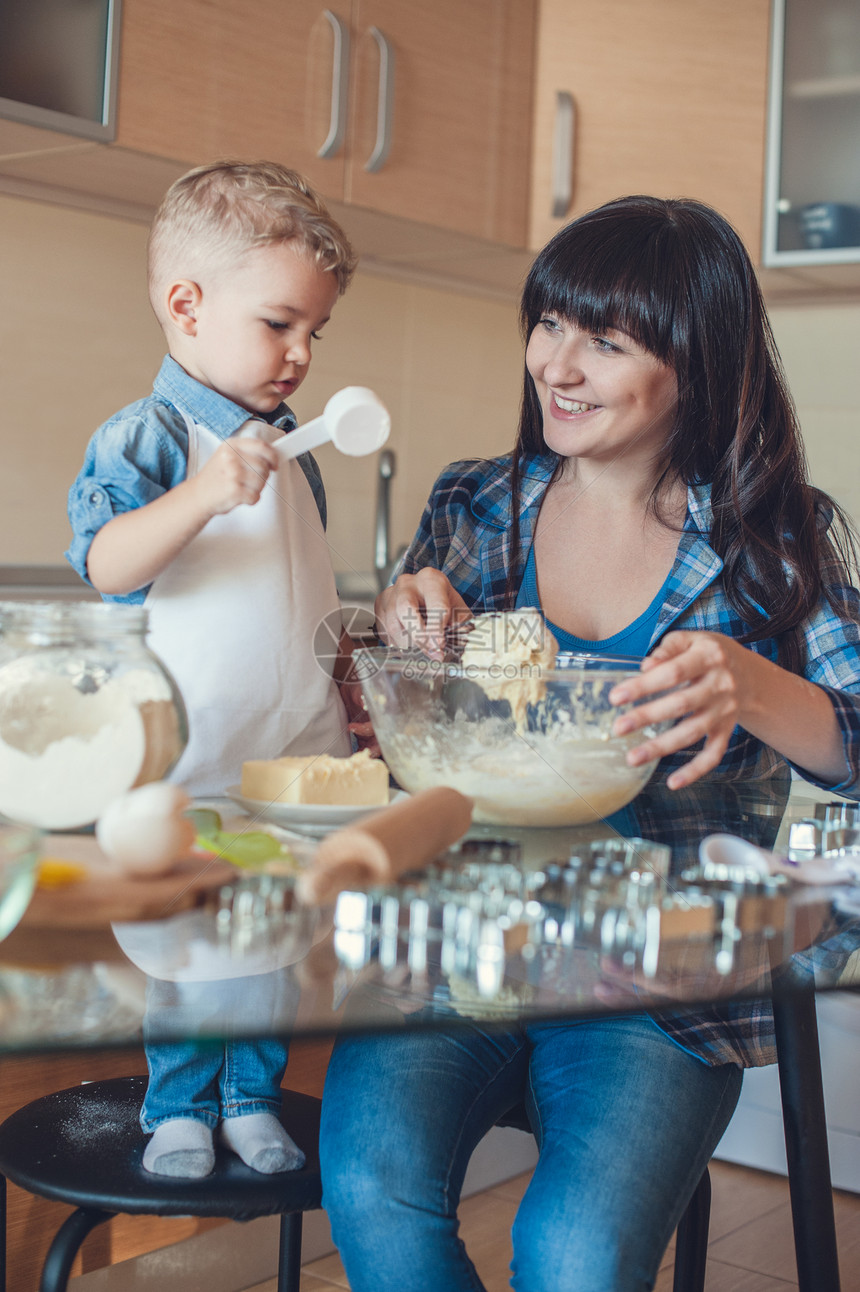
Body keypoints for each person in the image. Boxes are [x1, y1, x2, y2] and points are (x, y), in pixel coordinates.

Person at [318, 196, 860, 1290]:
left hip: (656, 979)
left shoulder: (769, 532)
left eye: (603, 341)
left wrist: (750, 684)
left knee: (573, 1251)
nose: (555, 365)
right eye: (548, 324)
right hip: (455, 945)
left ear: (693, 363)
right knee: (373, 1183)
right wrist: (400, 621)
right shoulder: (477, 502)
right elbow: (396, 732)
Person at [66, 160, 363, 1178]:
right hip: (187, 762)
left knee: (271, 941)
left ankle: (251, 1093)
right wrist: (199, 494)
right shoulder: (146, 437)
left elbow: (294, 593)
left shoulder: (299, 448)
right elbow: (108, 562)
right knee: (191, 952)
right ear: (186, 304)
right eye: (280, 323)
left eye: (314, 332)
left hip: (286, 753)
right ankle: (181, 1101)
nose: (301, 352)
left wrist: (347, 662)